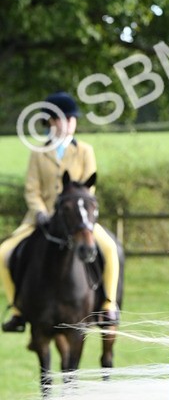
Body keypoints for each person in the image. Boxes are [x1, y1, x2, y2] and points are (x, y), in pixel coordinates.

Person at [0, 91, 121, 332]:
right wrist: (40, 212)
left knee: (110, 248)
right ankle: (16, 310)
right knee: (3, 253)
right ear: (52, 122)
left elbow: (88, 187)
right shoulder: (38, 153)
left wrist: (77, 210)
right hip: (40, 218)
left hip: (77, 218)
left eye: (72, 118)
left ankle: (108, 304)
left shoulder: (84, 150)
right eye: (66, 118)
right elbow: (32, 189)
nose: (71, 122)